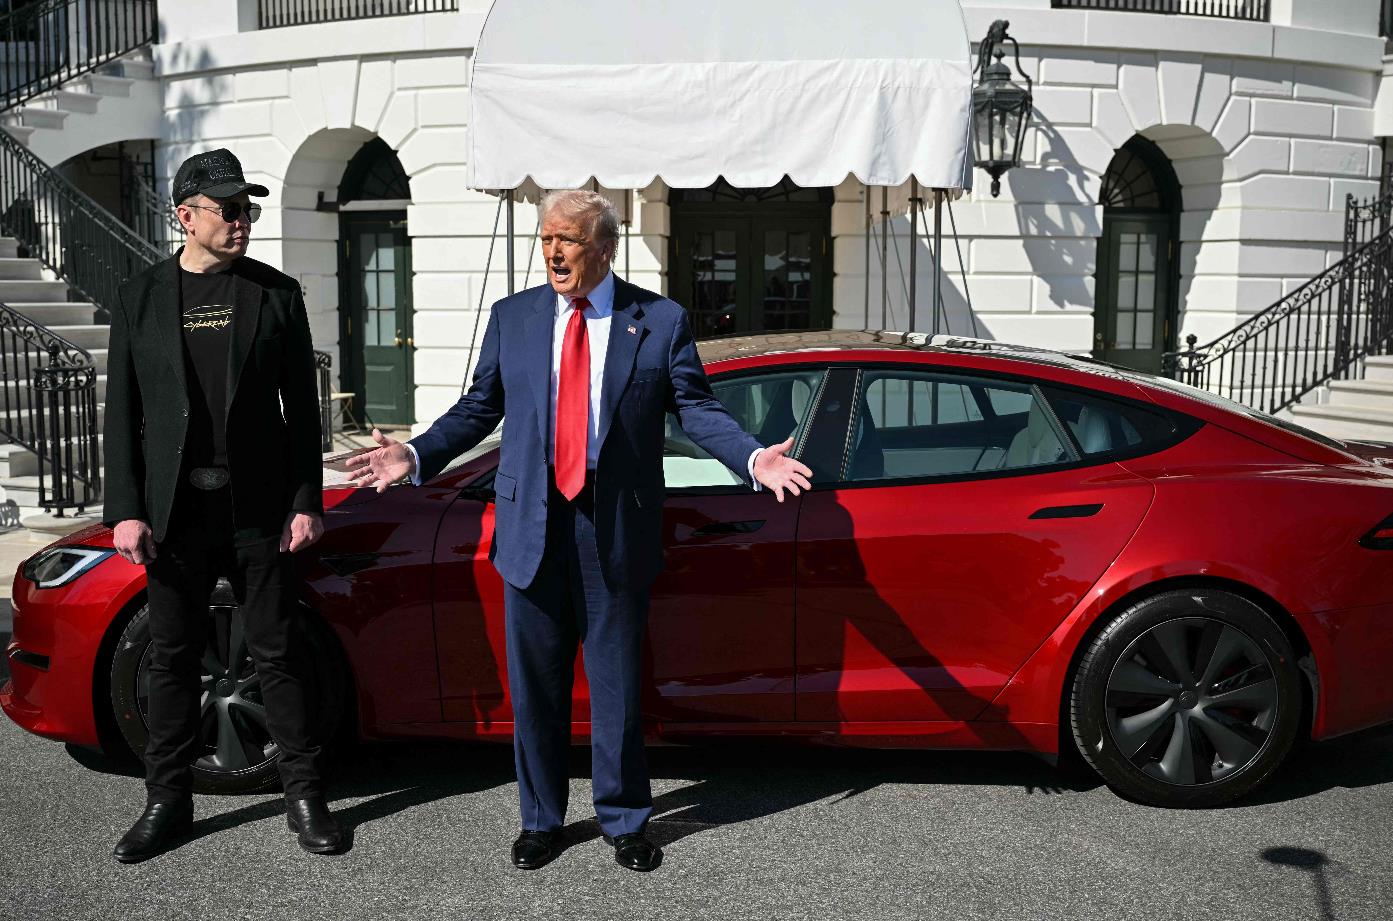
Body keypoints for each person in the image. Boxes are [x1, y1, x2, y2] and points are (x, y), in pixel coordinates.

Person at [347, 189, 812, 872]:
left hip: (613, 526)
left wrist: (749, 455)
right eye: (545, 239)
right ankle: (540, 819)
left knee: (616, 685)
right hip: (532, 524)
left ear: (604, 246)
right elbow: (478, 407)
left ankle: (624, 818)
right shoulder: (515, 317)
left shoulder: (656, 319)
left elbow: (695, 407)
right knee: (535, 687)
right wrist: (415, 453)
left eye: (567, 239)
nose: (553, 252)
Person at [102, 148, 341, 862]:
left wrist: (307, 499)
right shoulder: (139, 297)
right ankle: (166, 800)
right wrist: (127, 508)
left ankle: (304, 795)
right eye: (230, 209)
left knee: (278, 651)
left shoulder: (275, 293)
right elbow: (124, 414)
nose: (243, 221)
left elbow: (304, 411)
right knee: (172, 657)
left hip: (260, 508)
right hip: (174, 513)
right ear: (187, 216)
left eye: (248, 209)